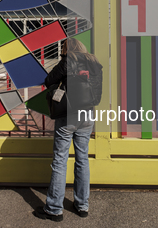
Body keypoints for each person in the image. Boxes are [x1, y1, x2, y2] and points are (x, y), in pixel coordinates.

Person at [33, 38, 102, 222]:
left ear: (66, 49)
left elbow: (48, 81)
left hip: (68, 115)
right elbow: (98, 94)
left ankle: (55, 208)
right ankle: (82, 205)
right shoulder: (94, 62)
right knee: (82, 159)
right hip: (87, 116)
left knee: (60, 160)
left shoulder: (67, 61)